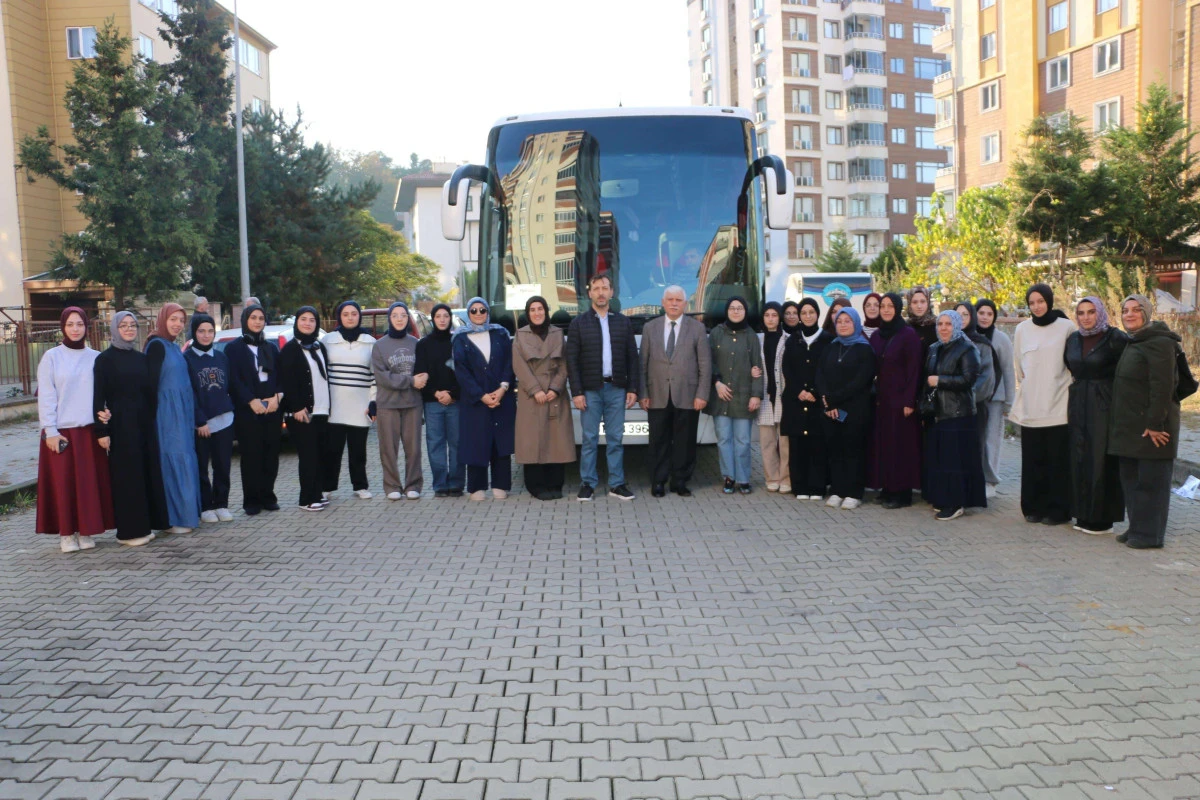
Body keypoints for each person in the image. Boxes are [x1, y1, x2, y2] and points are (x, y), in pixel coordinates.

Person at [36, 307, 114, 552]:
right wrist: (50, 430)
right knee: (64, 485)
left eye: (79, 324)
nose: (75, 329)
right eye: (70, 324)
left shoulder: (96, 357)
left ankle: (86, 531)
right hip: (61, 433)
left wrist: (106, 412)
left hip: (89, 432)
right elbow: (47, 396)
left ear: (86, 327)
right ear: (63, 326)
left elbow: (104, 394)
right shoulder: (51, 357)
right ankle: (67, 534)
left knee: (88, 486)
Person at [1108, 295, 1180, 549]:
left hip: (1153, 427)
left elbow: (1163, 387)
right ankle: (1137, 527)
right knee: (1132, 480)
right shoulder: (1136, 340)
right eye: (1125, 310)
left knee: (1151, 483)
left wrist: (1155, 424)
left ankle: (1150, 535)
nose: (1129, 314)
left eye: (1136, 310)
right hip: (1131, 426)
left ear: (1147, 313)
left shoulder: (1159, 342)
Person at [94, 310, 167, 546]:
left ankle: (145, 526)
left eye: (132, 325)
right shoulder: (104, 360)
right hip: (120, 426)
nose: (128, 329)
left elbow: (150, 393)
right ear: (115, 329)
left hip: (144, 424)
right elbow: (98, 398)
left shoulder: (141, 358)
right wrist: (102, 431)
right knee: (127, 478)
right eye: (123, 325)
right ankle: (128, 532)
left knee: (145, 473)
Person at [565, 273, 640, 501]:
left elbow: (632, 359)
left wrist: (633, 389)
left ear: (611, 292)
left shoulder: (623, 322)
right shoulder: (578, 324)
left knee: (615, 439)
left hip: (617, 389)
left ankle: (616, 484)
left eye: (604, 288)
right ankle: (588, 483)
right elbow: (572, 362)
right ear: (590, 293)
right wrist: (576, 392)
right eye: (596, 288)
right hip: (590, 391)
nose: (600, 292)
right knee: (589, 439)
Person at [1009, 283, 1075, 526]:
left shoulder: (1066, 327)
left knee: (1057, 461)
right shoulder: (1022, 330)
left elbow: (1071, 363)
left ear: (1049, 300)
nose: (1037, 306)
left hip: (1058, 404)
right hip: (1032, 406)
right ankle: (1032, 507)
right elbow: (1019, 367)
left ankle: (1058, 509)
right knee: (1033, 459)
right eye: (1032, 302)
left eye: (1041, 301)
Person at [640, 286, 711, 497]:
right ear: (663, 303)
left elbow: (705, 365)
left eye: (678, 300)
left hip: (688, 395)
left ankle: (680, 481)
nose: (673, 303)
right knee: (658, 441)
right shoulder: (649, 328)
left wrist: (702, 394)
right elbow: (642, 363)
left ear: (685, 304)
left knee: (685, 441)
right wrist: (643, 393)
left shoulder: (697, 329)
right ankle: (658, 481)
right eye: (669, 299)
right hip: (657, 394)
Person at [1065, 297, 1128, 535]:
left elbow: (1127, 369)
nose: (1086, 317)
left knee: (1101, 459)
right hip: (1078, 401)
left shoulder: (1115, 337)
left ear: (1099, 313)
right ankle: (1082, 513)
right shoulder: (1073, 339)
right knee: (1079, 456)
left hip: (1104, 403)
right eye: (1081, 313)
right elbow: (1070, 365)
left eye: (1091, 312)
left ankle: (1102, 518)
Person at [922, 310, 986, 520]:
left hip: (958, 413)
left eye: (949, 324)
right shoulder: (934, 348)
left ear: (957, 325)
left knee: (955, 461)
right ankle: (943, 498)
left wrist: (940, 380)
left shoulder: (967, 349)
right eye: (940, 324)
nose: (943, 328)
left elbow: (969, 379)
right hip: (937, 412)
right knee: (941, 459)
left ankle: (956, 502)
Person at [145, 304, 201, 533]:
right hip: (166, 416)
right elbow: (149, 386)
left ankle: (185, 515)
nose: (177, 324)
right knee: (172, 462)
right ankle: (173, 519)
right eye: (173, 319)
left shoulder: (175, 347)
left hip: (182, 414)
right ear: (162, 319)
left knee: (185, 459)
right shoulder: (156, 346)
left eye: (181, 320)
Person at [453, 297, 516, 500]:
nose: (479, 314)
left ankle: (501, 484)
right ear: (468, 314)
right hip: (475, 402)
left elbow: (509, 362)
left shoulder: (500, 333)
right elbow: (462, 372)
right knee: (476, 442)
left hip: (501, 397)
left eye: (482, 310)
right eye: (474, 310)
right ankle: (476, 486)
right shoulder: (460, 338)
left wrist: (503, 388)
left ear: (488, 312)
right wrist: (481, 395)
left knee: (501, 442)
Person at [513, 296, 574, 500]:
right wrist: (535, 389)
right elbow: (519, 366)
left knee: (556, 440)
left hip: (555, 395)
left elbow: (565, 362)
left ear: (546, 311)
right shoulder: (520, 335)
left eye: (540, 309)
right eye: (532, 309)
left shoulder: (558, 333)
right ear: (528, 313)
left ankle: (555, 483)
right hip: (532, 395)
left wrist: (556, 388)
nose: (537, 313)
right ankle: (535, 485)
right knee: (533, 440)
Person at [225, 304, 283, 516]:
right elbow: (234, 380)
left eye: (261, 318)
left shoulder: (271, 348)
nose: (257, 322)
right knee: (251, 456)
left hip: (272, 409)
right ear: (245, 321)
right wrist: (251, 400)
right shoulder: (234, 349)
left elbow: (279, 376)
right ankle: (252, 500)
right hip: (247, 411)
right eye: (253, 318)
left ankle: (269, 496)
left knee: (271, 454)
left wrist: (277, 397)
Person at [816, 307, 876, 509]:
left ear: (856, 324)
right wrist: (828, 401)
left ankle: (854, 492)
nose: (842, 324)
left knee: (853, 451)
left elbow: (861, 381)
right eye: (839, 321)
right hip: (831, 410)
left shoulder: (865, 349)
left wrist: (834, 399)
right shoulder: (831, 347)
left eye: (847, 321)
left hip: (855, 409)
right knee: (835, 451)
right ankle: (837, 490)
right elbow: (820, 375)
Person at [869, 293, 923, 509]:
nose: (886, 310)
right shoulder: (877, 336)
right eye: (883, 306)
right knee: (883, 445)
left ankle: (902, 493)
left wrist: (909, 400)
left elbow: (914, 370)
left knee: (901, 447)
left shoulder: (908, 335)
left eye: (891, 306)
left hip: (900, 400)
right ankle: (886, 488)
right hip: (881, 400)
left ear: (898, 308)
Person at [706, 297, 764, 494]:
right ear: (726, 310)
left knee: (743, 440)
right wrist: (717, 383)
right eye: (732, 308)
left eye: (740, 308)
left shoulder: (751, 336)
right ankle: (729, 477)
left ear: (745, 311)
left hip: (743, 396)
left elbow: (758, 366)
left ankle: (744, 478)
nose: (736, 311)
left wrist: (756, 395)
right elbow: (708, 362)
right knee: (724, 439)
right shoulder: (715, 333)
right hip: (721, 396)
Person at [321, 300, 376, 500]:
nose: (350, 317)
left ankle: (360, 486)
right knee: (332, 450)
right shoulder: (327, 340)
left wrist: (373, 402)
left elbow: (374, 376)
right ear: (339, 317)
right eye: (346, 314)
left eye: (354, 313)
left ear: (359, 316)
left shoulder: (370, 342)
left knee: (358, 451)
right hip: (334, 405)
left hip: (360, 405)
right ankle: (327, 486)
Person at [278, 307, 332, 511]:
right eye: (303, 319)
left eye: (312, 320)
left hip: (322, 409)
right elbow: (287, 381)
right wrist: (297, 406)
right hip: (302, 412)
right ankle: (306, 499)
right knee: (308, 456)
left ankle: (317, 493)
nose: (307, 323)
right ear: (296, 322)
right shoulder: (290, 349)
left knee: (319, 454)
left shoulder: (319, 347)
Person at [184, 313, 235, 523]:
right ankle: (206, 506)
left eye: (210, 331)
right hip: (202, 424)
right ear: (194, 333)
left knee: (223, 465)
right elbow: (189, 394)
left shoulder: (221, 357)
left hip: (225, 420)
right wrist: (200, 421)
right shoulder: (187, 359)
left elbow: (228, 387)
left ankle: (221, 503)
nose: (206, 336)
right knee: (202, 466)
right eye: (201, 331)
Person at [372, 301, 423, 500]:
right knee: (388, 448)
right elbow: (383, 378)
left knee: (414, 448)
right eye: (395, 316)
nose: (400, 319)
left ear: (407, 318)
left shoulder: (415, 343)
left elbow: (422, 372)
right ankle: (392, 486)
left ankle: (413, 485)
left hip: (413, 404)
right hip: (388, 404)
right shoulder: (379, 346)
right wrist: (410, 381)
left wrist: (421, 380)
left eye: (403, 315)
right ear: (390, 319)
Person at [781, 298, 831, 500]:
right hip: (796, 401)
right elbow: (787, 369)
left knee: (817, 446)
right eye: (804, 313)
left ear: (818, 314)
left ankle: (817, 487)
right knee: (798, 446)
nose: (808, 316)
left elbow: (828, 370)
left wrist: (815, 392)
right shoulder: (793, 340)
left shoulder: (827, 339)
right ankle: (800, 486)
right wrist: (798, 391)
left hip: (817, 402)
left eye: (811, 312)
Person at [414, 303, 464, 498]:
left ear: (450, 318)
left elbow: (463, 373)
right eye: (438, 316)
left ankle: (457, 483)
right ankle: (440, 485)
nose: (442, 319)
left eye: (445, 316)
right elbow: (420, 373)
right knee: (435, 445)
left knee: (457, 444)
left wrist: (451, 394)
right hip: (432, 403)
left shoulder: (458, 342)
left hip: (455, 401)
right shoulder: (423, 344)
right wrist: (436, 393)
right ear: (432, 319)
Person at [974, 299, 1015, 497]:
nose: (984, 317)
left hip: (995, 397)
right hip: (975, 397)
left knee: (992, 439)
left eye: (989, 314)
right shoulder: (970, 336)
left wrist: (1010, 401)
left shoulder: (1001, 339)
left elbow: (1009, 370)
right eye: (981, 312)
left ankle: (991, 480)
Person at [756, 301, 789, 493]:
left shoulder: (789, 339)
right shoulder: (757, 340)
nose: (770, 319)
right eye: (767, 315)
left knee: (785, 442)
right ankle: (772, 477)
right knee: (767, 441)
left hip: (783, 395)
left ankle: (786, 478)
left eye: (774, 315)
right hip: (765, 396)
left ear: (780, 317)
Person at [955, 301, 997, 436]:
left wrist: (963, 398)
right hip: (949, 410)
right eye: (957, 315)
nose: (960, 318)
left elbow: (986, 379)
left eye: (965, 315)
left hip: (974, 408)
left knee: (975, 450)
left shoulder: (982, 344)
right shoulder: (944, 344)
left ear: (972, 317)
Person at [906, 286, 939, 361]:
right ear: (909, 304)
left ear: (928, 303)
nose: (919, 306)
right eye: (915, 302)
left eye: (923, 301)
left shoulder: (938, 325)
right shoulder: (904, 327)